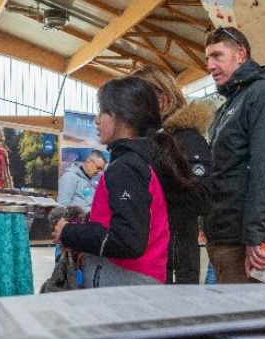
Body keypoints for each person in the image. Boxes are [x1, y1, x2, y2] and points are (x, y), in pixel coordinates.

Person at [53, 77, 196, 287]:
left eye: (102, 112)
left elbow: (127, 239)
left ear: (121, 117)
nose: (96, 120)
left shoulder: (126, 167)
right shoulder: (137, 161)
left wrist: (70, 232)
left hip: (125, 286)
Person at [202, 27, 265, 283]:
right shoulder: (231, 103)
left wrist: (256, 236)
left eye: (218, 56)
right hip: (225, 234)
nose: (210, 65)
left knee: (246, 318)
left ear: (240, 54)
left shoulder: (264, 95)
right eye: (208, 58)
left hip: (246, 242)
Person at [131, 64, 213, 284]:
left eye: (138, 99)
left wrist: (154, 194)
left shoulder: (186, 139)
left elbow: (201, 196)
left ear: (163, 100)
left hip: (175, 261)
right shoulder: (151, 140)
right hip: (152, 255)